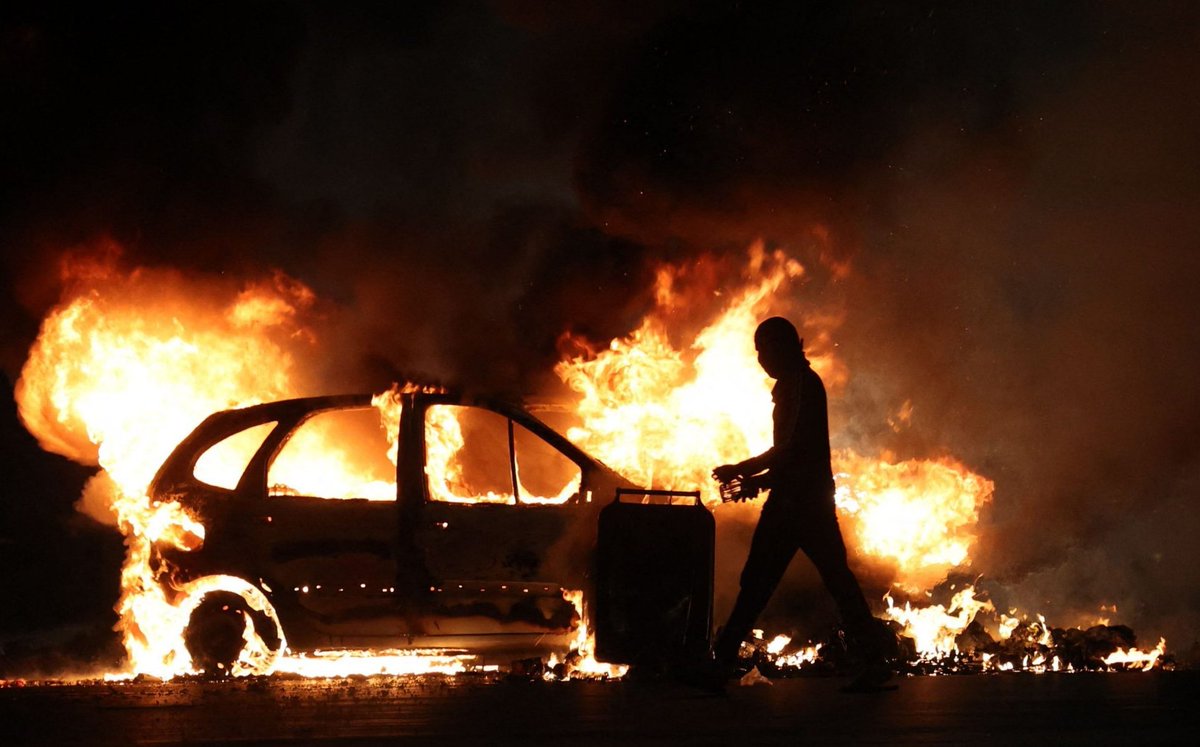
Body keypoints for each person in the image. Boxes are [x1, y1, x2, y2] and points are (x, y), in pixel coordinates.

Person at [708, 316, 892, 691]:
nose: (761, 359)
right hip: (801, 499)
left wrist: (746, 472)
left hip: (800, 503)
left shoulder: (802, 386)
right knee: (826, 580)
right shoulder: (795, 385)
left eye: (764, 349)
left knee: (761, 583)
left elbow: (792, 450)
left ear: (784, 346)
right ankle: (874, 662)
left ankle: (719, 665)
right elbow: (790, 454)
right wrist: (756, 479)